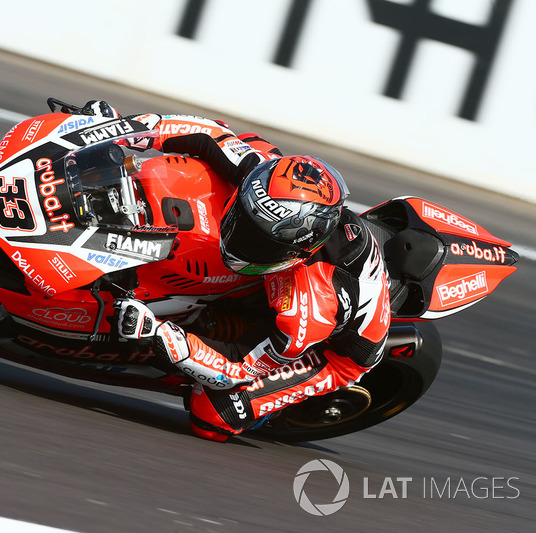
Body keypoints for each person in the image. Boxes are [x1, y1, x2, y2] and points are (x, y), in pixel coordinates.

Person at [78, 100, 391, 442]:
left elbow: (239, 368)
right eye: (242, 217)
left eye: (256, 240)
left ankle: (269, 407)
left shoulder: (307, 308)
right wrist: (122, 129)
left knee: (213, 416)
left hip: (332, 352)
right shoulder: (265, 172)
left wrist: (160, 334)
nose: (236, 235)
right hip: (281, 279)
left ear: (295, 251)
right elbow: (205, 133)